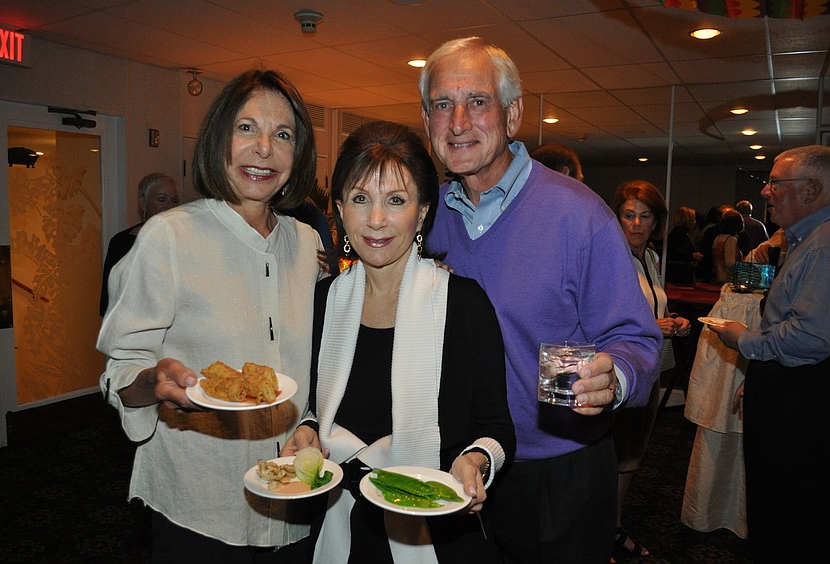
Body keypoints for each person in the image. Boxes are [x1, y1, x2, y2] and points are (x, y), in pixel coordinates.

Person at [418, 36, 661, 563]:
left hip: (556, 472)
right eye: (442, 104)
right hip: (455, 465)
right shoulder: (423, 216)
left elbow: (637, 338)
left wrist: (612, 377)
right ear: (427, 120)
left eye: (478, 101)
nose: (458, 121)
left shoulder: (580, 214)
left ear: (512, 114)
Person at [96, 69, 327, 561]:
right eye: (246, 128)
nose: (264, 148)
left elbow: (310, 360)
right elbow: (120, 368)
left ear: (298, 154)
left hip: (291, 495)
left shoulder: (305, 243)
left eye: (282, 134)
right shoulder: (168, 237)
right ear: (218, 139)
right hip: (198, 504)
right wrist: (153, 384)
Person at [281, 120, 516, 563]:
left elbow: (497, 429)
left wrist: (476, 461)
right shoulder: (324, 300)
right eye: (360, 199)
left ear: (423, 211)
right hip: (341, 524)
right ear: (339, 209)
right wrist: (308, 429)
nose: (375, 220)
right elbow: (315, 406)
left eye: (395, 201)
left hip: (437, 529)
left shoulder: (463, 305)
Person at [708, 145, 830, 563]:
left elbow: (812, 337)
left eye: (777, 182)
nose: (766, 192)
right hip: (788, 388)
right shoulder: (806, 239)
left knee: (788, 508)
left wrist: (745, 342)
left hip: (801, 402)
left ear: (812, 190)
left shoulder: (824, 244)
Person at [610, 180, 691, 560]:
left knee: (634, 455)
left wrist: (670, 321)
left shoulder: (652, 258)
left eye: (645, 216)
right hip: (626, 365)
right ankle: (608, 530)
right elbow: (607, 320)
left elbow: (651, 310)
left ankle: (613, 524)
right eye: (629, 215)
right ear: (618, 217)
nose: (636, 224)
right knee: (620, 456)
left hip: (654, 363)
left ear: (656, 222)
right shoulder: (611, 256)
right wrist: (652, 327)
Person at [99, 172, 179, 315]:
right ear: (143, 203)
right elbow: (109, 302)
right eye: (162, 199)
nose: (169, 206)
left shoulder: (185, 241)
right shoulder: (121, 243)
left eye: (174, 200)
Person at [665, 206, 703, 286]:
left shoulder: (678, 233)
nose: (695, 222)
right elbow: (673, 253)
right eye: (693, 218)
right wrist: (691, 256)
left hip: (678, 273)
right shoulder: (680, 234)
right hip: (680, 275)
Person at [712, 209, 744, 284]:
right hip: (728, 279)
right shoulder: (731, 240)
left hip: (717, 276)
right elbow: (730, 263)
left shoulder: (718, 238)